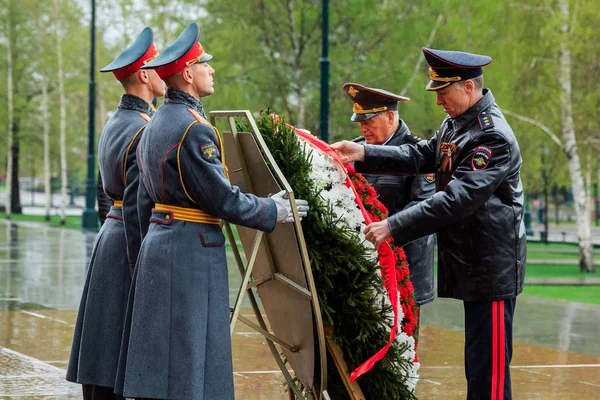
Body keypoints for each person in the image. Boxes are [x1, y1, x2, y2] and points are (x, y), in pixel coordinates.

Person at [114, 22, 308, 400]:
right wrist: (273, 209)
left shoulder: (155, 123)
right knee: (190, 360)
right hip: (190, 252)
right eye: (205, 63)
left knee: (164, 362)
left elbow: (140, 200)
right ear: (187, 74)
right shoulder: (193, 129)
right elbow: (222, 199)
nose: (211, 70)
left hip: (161, 243)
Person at [332, 48, 526, 400]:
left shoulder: (491, 136)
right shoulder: (457, 122)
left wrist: (392, 226)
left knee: (489, 371)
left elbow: (456, 199)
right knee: (478, 364)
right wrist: (363, 153)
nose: (437, 101)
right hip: (472, 261)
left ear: (467, 87)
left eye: (442, 91)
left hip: (491, 267)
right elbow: (422, 155)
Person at [66, 27, 165, 399]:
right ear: (143, 75)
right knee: (122, 352)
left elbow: (102, 193)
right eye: (157, 67)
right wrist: (144, 268)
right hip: (130, 239)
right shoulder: (145, 128)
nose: (162, 74)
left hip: (112, 232)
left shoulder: (114, 123)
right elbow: (141, 202)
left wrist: (115, 222)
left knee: (103, 349)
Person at [342, 83, 435, 331]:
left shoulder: (419, 151)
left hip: (405, 269)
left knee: (402, 347)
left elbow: (423, 206)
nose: (362, 128)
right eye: (359, 122)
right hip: (365, 266)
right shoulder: (356, 148)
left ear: (390, 116)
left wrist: (388, 228)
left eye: (368, 121)